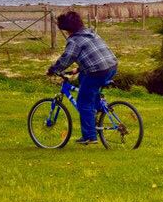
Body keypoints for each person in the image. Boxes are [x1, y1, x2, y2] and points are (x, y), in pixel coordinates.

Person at [47, 11, 118, 145]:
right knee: (87, 82)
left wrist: (53, 70)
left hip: (97, 71)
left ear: (67, 29)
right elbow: (94, 55)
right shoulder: (90, 33)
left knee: (83, 102)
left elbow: (66, 58)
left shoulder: (74, 40)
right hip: (111, 66)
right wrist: (78, 69)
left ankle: (90, 136)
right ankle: (99, 109)